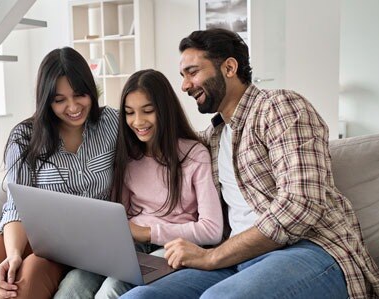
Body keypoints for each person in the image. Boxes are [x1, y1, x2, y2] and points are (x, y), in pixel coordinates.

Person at [121, 29, 379, 299]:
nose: (185, 85)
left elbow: (301, 206)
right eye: (183, 76)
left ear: (230, 67)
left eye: (193, 72)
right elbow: (163, 148)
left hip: (308, 250)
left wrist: (212, 257)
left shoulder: (280, 107)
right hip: (236, 260)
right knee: (137, 297)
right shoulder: (212, 139)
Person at [0, 46, 119, 299]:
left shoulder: (112, 124)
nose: (73, 107)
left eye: (80, 95)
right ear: (46, 100)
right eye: (59, 100)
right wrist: (13, 255)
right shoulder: (24, 137)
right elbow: (16, 205)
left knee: (24, 283)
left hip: (73, 242)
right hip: (21, 228)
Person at [53, 69, 223, 299]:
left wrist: (147, 233)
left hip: (172, 247)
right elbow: (118, 213)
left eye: (148, 111)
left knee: (112, 288)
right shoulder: (128, 156)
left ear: (165, 110)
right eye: (129, 113)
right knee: (75, 283)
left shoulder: (194, 154)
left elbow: (212, 230)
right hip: (130, 244)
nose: (138, 121)